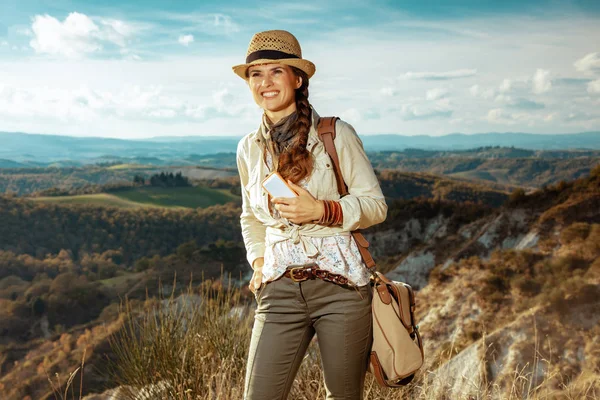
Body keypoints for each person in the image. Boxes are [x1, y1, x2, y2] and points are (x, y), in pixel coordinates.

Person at [233, 30, 388, 400]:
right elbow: (249, 216)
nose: (265, 83)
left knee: (343, 396)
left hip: (341, 288)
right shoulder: (247, 148)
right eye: (256, 74)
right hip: (278, 290)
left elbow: (375, 206)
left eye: (275, 72)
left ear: (297, 79)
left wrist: (323, 209)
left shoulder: (335, 134)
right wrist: (257, 261)